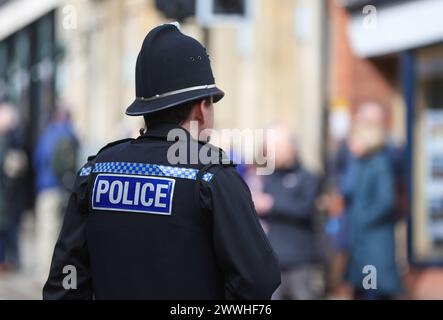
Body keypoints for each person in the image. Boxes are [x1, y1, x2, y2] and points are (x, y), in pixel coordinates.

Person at [43, 23, 280, 300]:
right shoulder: (212, 178)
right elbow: (258, 279)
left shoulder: (94, 173)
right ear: (202, 108)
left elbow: (67, 280)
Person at [253, 125, 322, 300]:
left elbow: (305, 210)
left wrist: (272, 204)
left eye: (275, 150)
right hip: (275, 257)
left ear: (291, 149)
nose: (270, 155)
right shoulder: (271, 177)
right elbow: (268, 212)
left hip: (300, 258)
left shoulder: (308, 177)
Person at [343, 101, 402, 299]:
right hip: (360, 242)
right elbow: (346, 188)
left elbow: (386, 202)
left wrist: (362, 219)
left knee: (373, 289)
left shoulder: (379, 163)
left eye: (354, 139)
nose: (350, 144)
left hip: (375, 242)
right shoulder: (359, 163)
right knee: (360, 290)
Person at [33, 107, 78, 283]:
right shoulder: (69, 134)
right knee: (60, 233)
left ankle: (43, 273)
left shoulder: (47, 134)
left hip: (45, 188)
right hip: (62, 189)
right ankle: (55, 272)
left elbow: (37, 160)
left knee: (45, 231)